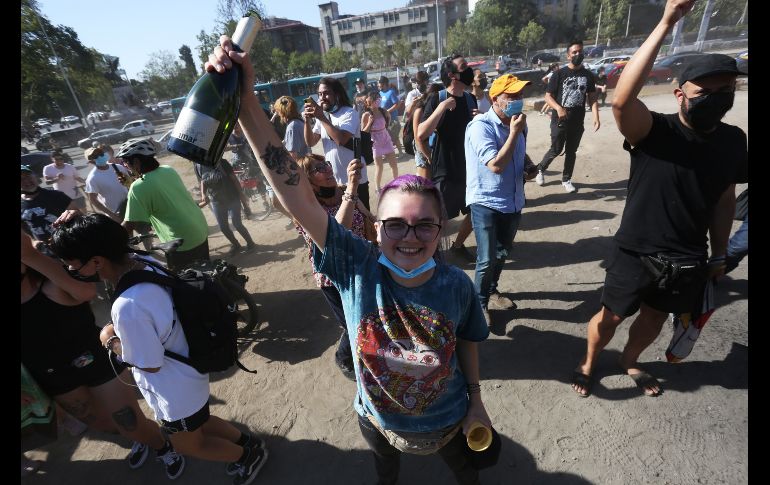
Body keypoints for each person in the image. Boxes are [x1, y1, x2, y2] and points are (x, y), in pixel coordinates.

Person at [208, 36, 494, 484]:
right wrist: (246, 101)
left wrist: (476, 400)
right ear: (377, 228)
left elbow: (469, 342)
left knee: (466, 474)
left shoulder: (456, 285)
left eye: (425, 225)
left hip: (450, 420)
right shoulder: (355, 266)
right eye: (396, 224)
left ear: (440, 231)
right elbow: (294, 192)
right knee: (386, 473)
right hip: (376, 420)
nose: (411, 237)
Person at [570, 0, 748, 398]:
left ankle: (629, 360)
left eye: (727, 90)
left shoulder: (734, 141)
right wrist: (667, 21)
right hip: (636, 250)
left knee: (653, 320)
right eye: (706, 91)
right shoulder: (654, 131)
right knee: (610, 317)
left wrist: (719, 254)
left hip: (687, 256)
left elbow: (724, 200)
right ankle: (587, 362)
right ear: (680, 93)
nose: (718, 98)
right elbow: (621, 100)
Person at [49, 214, 268, 485]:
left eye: (73, 266)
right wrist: (80, 227)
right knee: (201, 421)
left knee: (188, 444)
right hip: (189, 369)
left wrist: (109, 339)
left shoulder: (128, 306)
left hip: (173, 388)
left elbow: (149, 363)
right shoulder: (144, 262)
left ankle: (247, 457)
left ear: (96, 262)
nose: (72, 272)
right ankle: (247, 442)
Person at [21, 229, 185, 479]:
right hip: (52, 376)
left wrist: (32, 256)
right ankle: (141, 438)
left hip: (93, 360)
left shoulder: (48, 283)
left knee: (130, 422)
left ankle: (162, 445)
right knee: (104, 425)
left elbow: (86, 293)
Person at [290, 154, 375, 378]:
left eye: (326, 164)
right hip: (333, 276)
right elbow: (334, 235)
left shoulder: (346, 190)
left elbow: (367, 217)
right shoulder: (304, 209)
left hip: (362, 265)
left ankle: (369, 351)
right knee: (350, 322)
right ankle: (343, 356)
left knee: (367, 314)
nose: (327, 169)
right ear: (307, 180)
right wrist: (352, 191)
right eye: (319, 168)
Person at [464, 74, 535, 326]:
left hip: (513, 200)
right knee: (486, 258)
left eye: (520, 95)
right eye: (511, 96)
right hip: (486, 201)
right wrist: (514, 133)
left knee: (502, 252)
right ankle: (478, 304)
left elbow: (519, 153)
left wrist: (529, 165)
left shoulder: (518, 124)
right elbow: (495, 165)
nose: (518, 100)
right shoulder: (480, 126)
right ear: (495, 99)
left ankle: (492, 291)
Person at [417, 54, 478, 262]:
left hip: (470, 169)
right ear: (452, 74)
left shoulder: (471, 99)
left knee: (476, 212)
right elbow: (421, 134)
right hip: (445, 171)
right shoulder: (438, 98)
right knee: (438, 219)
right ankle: (429, 254)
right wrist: (442, 108)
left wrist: (479, 120)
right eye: (464, 66)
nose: (468, 69)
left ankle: (458, 245)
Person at [116, 139, 210, 271]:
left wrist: (108, 240)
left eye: (125, 162)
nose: (125, 166)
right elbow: (155, 188)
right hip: (199, 229)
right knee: (207, 273)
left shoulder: (138, 188)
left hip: (181, 241)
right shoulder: (168, 170)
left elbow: (129, 225)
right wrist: (131, 183)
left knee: (187, 284)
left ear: (136, 161)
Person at [534, 41, 600, 193]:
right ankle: (540, 169)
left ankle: (566, 179)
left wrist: (596, 116)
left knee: (571, 152)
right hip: (560, 120)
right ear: (568, 55)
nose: (578, 54)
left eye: (580, 51)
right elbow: (547, 96)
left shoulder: (588, 75)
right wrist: (558, 108)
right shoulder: (559, 74)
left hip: (577, 121)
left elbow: (592, 98)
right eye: (575, 52)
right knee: (556, 149)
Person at [303, 76, 372, 210]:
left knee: (363, 223)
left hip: (355, 179)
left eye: (326, 93)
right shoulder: (322, 116)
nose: (322, 97)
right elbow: (310, 141)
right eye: (320, 94)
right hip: (333, 181)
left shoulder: (348, 113)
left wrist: (321, 116)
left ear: (337, 93)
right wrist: (306, 120)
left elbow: (341, 139)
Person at [195, 158, 257, 257]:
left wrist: (241, 194)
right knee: (223, 227)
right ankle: (236, 245)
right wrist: (203, 193)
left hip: (232, 197)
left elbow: (233, 178)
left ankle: (251, 243)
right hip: (216, 201)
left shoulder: (221, 162)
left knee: (237, 224)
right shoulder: (198, 165)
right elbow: (202, 180)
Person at [21, 165, 77, 247]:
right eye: (21, 179)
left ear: (35, 176)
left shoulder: (55, 195)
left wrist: (72, 213)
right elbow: (23, 227)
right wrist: (33, 241)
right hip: (45, 250)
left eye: (28, 176)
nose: (26, 181)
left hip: (69, 243)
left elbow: (77, 212)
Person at [362, 91, 398, 193]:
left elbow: (388, 121)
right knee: (379, 167)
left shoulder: (384, 111)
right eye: (373, 98)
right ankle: (378, 188)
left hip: (385, 139)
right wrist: (369, 123)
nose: (376, 100)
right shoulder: (366, 115)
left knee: (394, 164)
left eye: (377, 98)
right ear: (367, 101)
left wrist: (384, 130)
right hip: (375, 142)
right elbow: (363, 132)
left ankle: (397, 183)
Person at [83, 146, 130, 222]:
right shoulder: (92, 178)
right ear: (91, 161)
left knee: (145, 231)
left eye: (100, 154)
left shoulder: (119, 167)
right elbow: (93, 200)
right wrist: (112, 215)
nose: (100, 156)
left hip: (131, 206)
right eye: (95, 156)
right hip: (117, 214)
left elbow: (130, 185)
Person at [410, 83, 444, 180]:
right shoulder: (420, 110)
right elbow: (418, 138)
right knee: (425, 183)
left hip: (432, 145)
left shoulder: (437, 108)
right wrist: (428, 156)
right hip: (421, 147)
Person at [378, 76, 404, 155]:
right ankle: (387, 153)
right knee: (385, 138)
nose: (378, 85)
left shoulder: (391, 92)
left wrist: (387, 111)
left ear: (384, 84)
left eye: (379, 83)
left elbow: (397, 104)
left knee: (394, 137)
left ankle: (400, 152)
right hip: (383, 120)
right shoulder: (380, 93)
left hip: (392, 119)